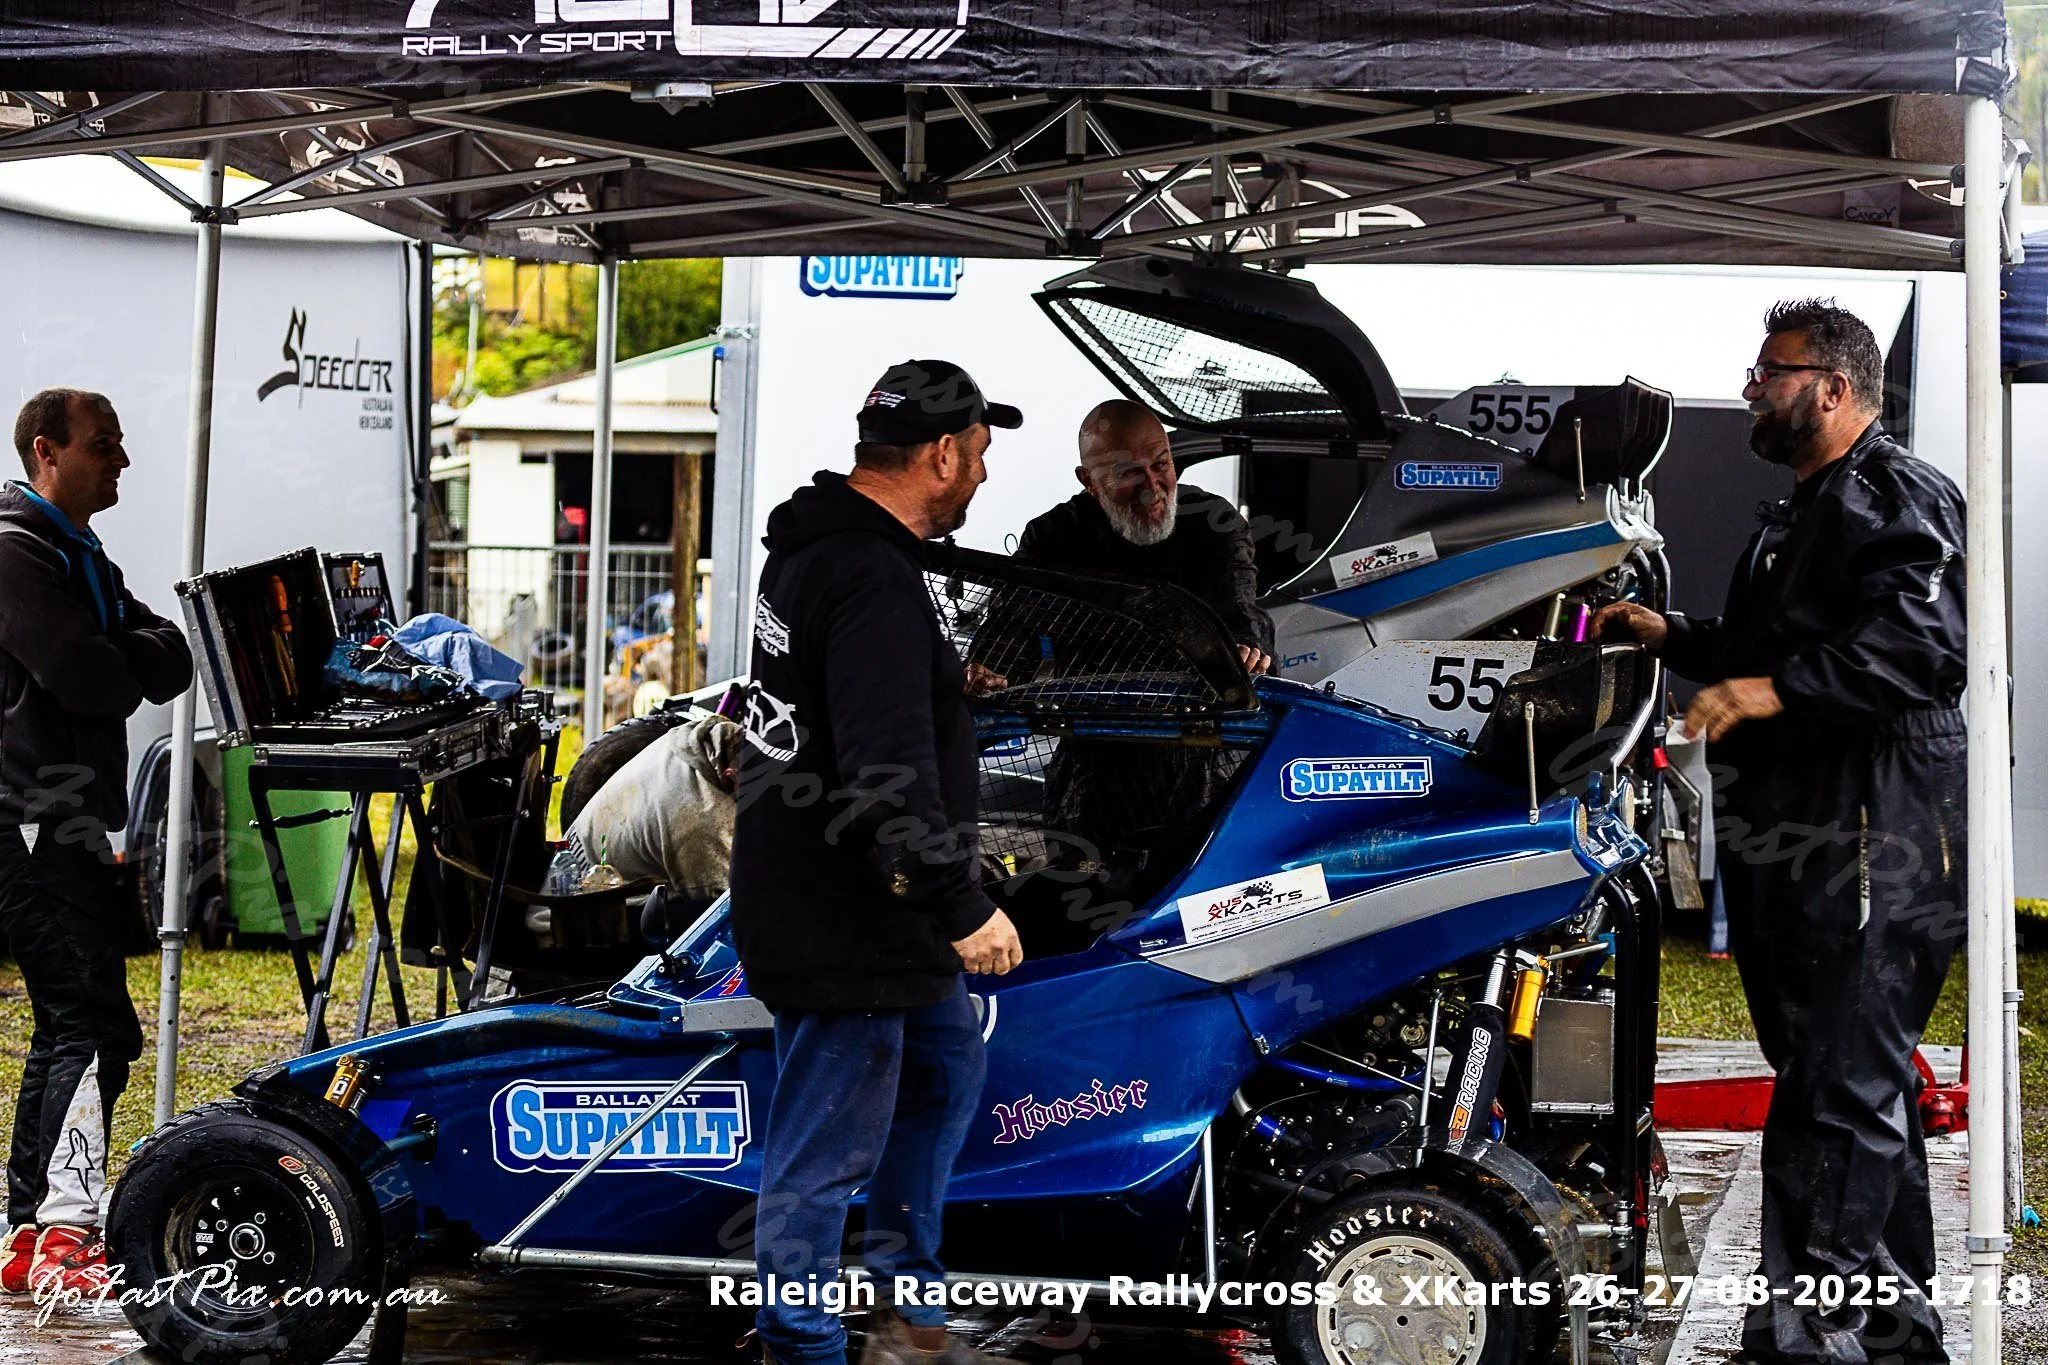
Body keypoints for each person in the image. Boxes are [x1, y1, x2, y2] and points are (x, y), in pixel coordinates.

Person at [1593, 300, 1965, 1365]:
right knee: (1841, 1075)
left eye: (1771, 370)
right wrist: (1677, 637)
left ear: (1835, 388)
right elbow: (1773, 644)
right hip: (1803, 825)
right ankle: (1894, 1336)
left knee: (1837, 1086)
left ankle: (1809, 1340)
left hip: (1871, 823)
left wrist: (1768, 691)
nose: (1752, 386)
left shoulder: (1897, 494)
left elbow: (1918, 650)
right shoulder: (1800, 507)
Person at [730, 360, 1025, 1365]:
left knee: (945, 1067)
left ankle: (908, 1294)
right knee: (822, 1150)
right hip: (843, 918)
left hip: (846, 905)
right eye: (979, 455)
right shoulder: (869, 577)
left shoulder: (822, 548)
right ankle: (800, 1340)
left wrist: (942, 686)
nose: (982, 477)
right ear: (941, 453)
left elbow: (837, 700)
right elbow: (882, 776)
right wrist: (961, 905)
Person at [0, 389, 192, 1296]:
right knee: (92, 1022)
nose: (121, 462)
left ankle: (32, 1229)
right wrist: (118, 656)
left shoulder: (79, 553)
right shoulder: (14, 552)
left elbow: (176, 648)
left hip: (66, 814)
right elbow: (83, 673)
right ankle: (64, 1226)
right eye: (104, 445)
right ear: (49, 451)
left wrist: (115, 652)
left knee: (74, 1019)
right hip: (30, 817)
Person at [1010, 397, 1272, 675]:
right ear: (1089, 481)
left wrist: (1245, 650)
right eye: (1129, 473)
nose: (1150, 488)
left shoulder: (1215, 521)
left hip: (1202, 703)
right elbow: (1010, 623)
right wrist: (987, 669)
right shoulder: (1051, 535)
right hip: (1089, 706)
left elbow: (1238, 609)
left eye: (1161, 466)